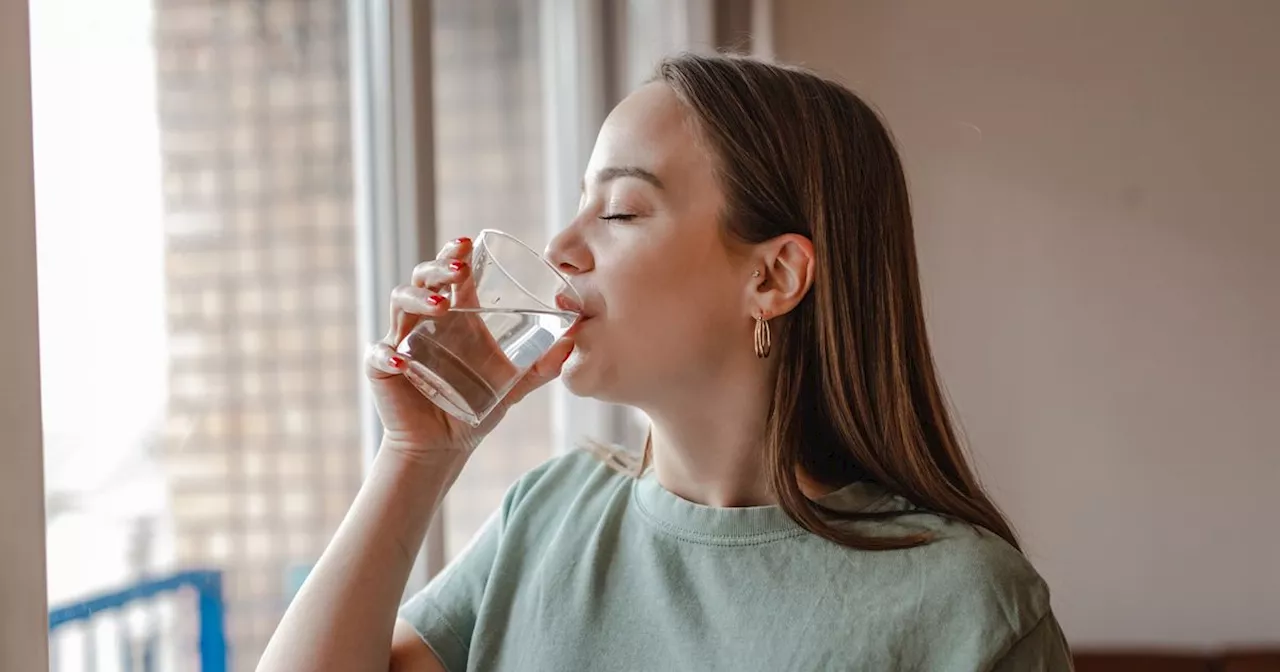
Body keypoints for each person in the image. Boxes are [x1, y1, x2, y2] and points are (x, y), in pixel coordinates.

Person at [258, 53, 1074, 672]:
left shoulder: (969, 606)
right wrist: (415, 456)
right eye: (582, 203)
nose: (561, 249)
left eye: (619, 210)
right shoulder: (546, 518)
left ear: (772, 276)